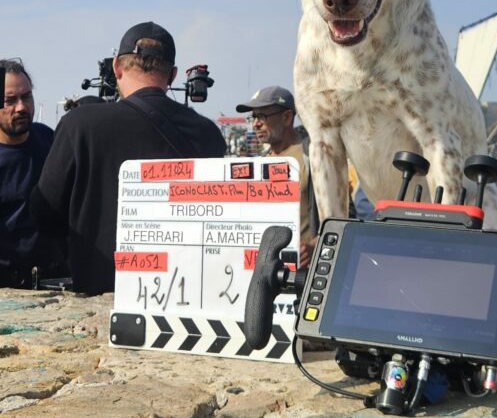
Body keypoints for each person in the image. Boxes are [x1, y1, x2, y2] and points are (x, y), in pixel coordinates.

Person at [30, 22, 226, 295]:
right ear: (172, 75)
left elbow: (45, 213)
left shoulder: (79, 125)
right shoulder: (208, 134)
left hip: (100, 293)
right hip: (183, 296)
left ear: (116, 68)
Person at [0, 59, 65, 288]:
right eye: (10, 100)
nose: (21, 107)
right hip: (1, 288)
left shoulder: (49, 139)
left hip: (57, 280)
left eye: (26, 97)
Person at [236, 86, 318, 267]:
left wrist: (316, 247)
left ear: (287, 117)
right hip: (267, 273)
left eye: (262, 116)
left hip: (303, 276)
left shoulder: (314, 156)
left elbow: (344, 215)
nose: (255, 124)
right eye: (254, 116)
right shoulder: (259, 164)